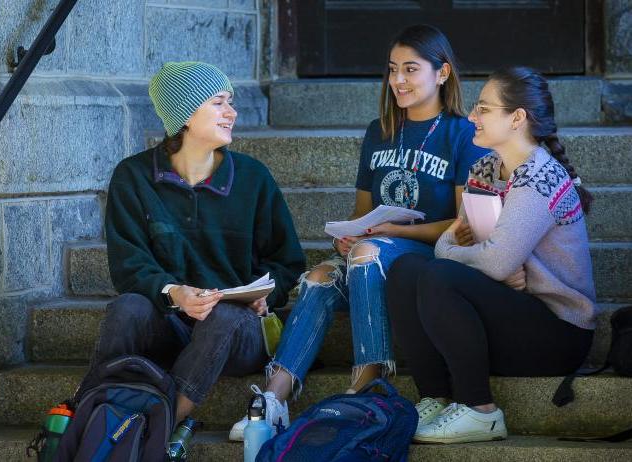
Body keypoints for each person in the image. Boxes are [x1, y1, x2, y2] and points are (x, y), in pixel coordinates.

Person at [230, 24, 489, 441]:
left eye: (410, 69)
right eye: (392, 70)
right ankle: (274, 399)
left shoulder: (462, 134)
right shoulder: (379, 130)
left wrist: (381, 234)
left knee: (368, 252)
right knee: (319, 276)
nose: (398, 81)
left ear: (442, 74)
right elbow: (362, 215)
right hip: (373, 254)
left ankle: (367, 383)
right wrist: (346, 238)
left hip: (425, 263)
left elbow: (464, 225)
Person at [74, 61, 306, 426]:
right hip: (171, 324)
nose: (231, 112)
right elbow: (129, 266)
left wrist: (264, 295)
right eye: (218, 102)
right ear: (183, 115)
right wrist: (174, 292)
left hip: (238, 332)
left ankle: (161, 425)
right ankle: (92, 412)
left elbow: (287, 262)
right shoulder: (133, 177)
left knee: (224, 314)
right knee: (127, 308)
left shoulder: (253, 178)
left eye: (230, 102)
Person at [386, 67, 598, 444]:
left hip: (556, 332)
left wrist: (457, 253)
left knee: (438, 274)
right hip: (507, 314)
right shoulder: (484, 169)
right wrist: (481, 261)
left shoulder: (540, 176)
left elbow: (489, 260)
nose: (471, 117)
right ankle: (435, 397)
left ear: (517, 118)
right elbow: (482, 255)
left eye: (483, 109)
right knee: (405, 270)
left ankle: (480, 411)